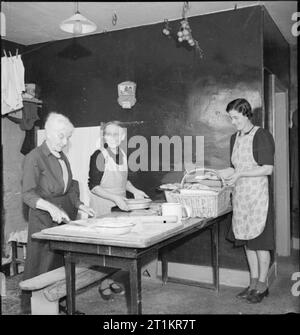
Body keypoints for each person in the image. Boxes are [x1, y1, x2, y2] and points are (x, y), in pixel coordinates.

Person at [21, 112, 95, 313]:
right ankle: (31, 310)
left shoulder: (63, 157)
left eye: (68, 138)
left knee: (60, 266)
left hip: (64, 218)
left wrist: (79, 204)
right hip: (43, 221)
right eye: (61, 136)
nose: (64, 142)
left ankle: (60, 304)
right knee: (40, 268)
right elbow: (27, 194)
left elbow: (70, 187)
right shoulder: (34, 158)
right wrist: (50, 207)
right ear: (48, 133)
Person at [218, 98, 275, 304]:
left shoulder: (262, 135)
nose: (233, 122)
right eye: (231, 118)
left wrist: (240, 174)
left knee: (260, 243)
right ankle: (252, 284)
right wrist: (218, 173)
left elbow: (267, 168)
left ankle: (262, 285)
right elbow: (234, 167)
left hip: (258, 197)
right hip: (241, 197)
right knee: (247, 243)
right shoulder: (235, 138)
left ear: (246, 113)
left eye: (235, 117)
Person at [88, 120, 148, 299]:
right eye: (109, 134)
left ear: (122, 137)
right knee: (105, 248)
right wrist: (115, 198)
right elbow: (94, 186)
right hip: (103, 204)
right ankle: (103, 283)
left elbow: (124, 181)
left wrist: (135, 191)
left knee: (117, 247)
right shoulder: (98, 155)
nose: (113, 137)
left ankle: (109, 279)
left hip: (120, 204)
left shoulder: (122, 154)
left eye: (117, 134)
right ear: (104, 136)